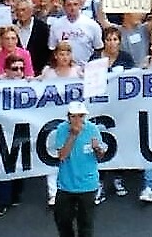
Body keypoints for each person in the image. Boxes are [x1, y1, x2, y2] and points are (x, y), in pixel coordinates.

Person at [49, 100, 108, 237]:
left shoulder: (92, 129)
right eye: (74, 116)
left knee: (85, 225)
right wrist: (73, 135)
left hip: (87, 184)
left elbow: (100, 156)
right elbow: (62, 156)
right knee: (62, 221)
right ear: (68, 117)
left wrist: (97, 149)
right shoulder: (62, 129)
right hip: (66, 184)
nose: (77, 120)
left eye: (81, 116)